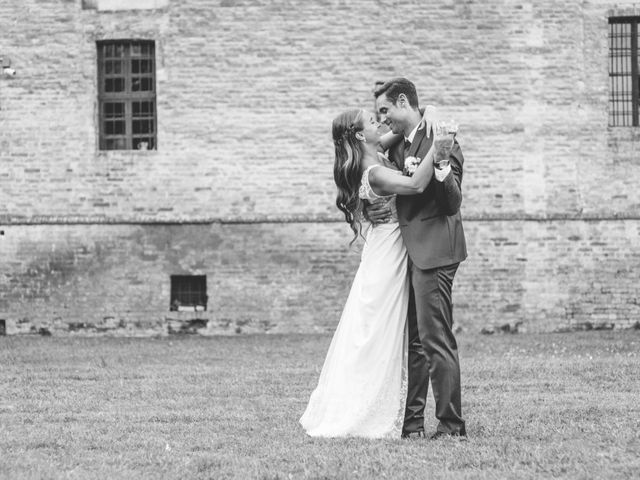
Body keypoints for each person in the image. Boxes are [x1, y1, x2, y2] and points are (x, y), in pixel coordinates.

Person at [299, 107, 437, 438]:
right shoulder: (372, 170)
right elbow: (416, 184)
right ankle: (365, 408)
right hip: (387, 254)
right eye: (373, 122)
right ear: (361, 135)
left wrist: (428, 110)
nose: (380, 123)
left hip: (385, 246)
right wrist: (441, 144)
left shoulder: (374, 151)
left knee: (373, 329)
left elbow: (404, 129)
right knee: (377, 332)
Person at [369, 77, 467, 440]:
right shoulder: (400, 144)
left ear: (403, 103)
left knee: (435, 338)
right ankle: (412, 426)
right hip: (406, 254)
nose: (383, 121)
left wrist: (440, 164)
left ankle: (451, 426)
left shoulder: (442, 137)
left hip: (435, 251)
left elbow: (453, 203)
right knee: (415, 342)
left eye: (386, 111)